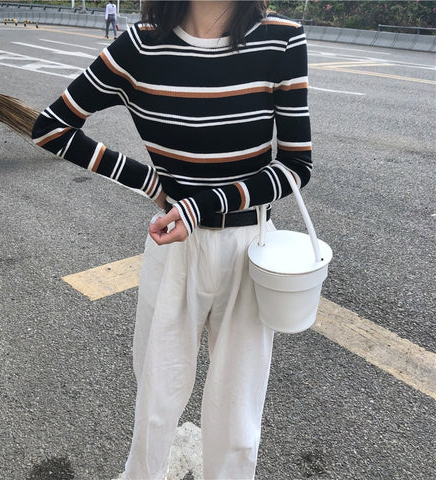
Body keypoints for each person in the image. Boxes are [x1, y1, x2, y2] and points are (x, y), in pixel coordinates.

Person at [32, 1, 312, 478]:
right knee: (155, 404)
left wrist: (201, 204)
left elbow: (295, 166)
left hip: (251, 248)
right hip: (173, 249)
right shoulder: (140, 45)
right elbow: (51, 128)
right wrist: (152, 184)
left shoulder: (281, 38)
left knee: (238, 416)